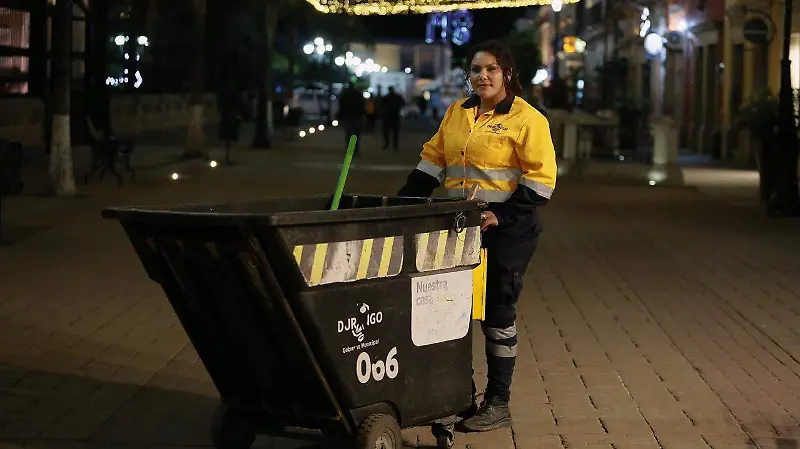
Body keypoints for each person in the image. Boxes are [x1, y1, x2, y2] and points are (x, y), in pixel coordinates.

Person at [397, 40, 557, 432]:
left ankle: (498, 402)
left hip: (508, 233)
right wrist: (400, 203)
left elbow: (540, 183)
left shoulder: (527, 119)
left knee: (496, 316)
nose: (482, 76)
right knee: (451, 313)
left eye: (490, 69)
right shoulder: (458, 112)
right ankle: (461, 397)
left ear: (507, 73)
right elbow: (432, 163)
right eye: (475, 70)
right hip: (458, 230)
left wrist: (499, 214)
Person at [337, 83, 366, 156]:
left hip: (349, 115)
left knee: (348, 133)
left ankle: (349, 149)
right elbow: (362, 104)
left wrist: (341, 115)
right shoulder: (358, 94)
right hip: (357, 115)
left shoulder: (345, 94)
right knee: (356, 134)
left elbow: (341, 105)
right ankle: (356, 149)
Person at [380, 86, 406, 151]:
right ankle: (395, 146)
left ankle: (387, 143)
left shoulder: (386, 97)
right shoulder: (397, 97)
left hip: (387, 116)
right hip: (395, 115)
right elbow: (403, 103)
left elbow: (381, 105)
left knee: (386, 131)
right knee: (395, 132)